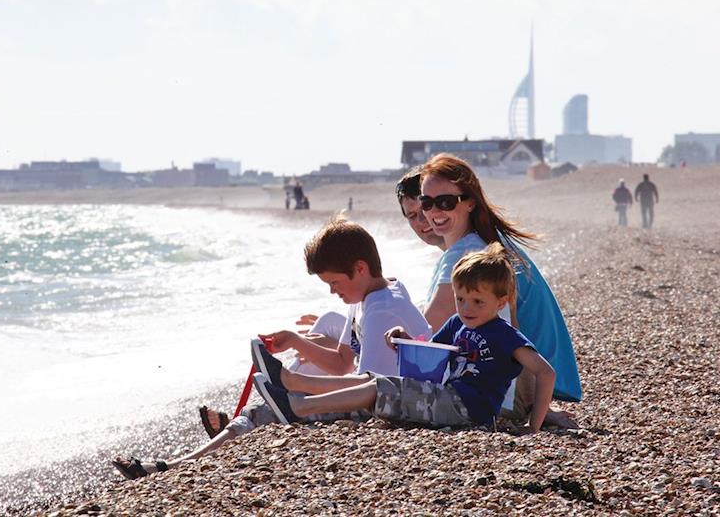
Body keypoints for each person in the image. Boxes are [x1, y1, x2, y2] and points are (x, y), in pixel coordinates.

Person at [111, 218, 431, 479]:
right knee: (267, 406)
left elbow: (372, 389)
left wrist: (302, 393)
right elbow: (341, 363)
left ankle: (174, 466)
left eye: (334, 282)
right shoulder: (370, 297)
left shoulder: (380, 311)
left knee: (266, 410)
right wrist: (295, 340)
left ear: (360, 268)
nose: (333, 291)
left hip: (396, 406)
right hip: (378, 394)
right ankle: (198, 452)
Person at [253, 243, 556, 434]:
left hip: (469, 412)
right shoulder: (457, 323)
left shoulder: (504, 335)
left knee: (381, 386)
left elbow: (545, 371)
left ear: (501, 302)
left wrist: (534, 425)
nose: (467, 308)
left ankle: (298, 407)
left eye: (478, 302)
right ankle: (293, 384)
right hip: (443, 397)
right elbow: (429, 352)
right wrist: (403, 339)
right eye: (461, 299)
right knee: (372, 379)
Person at [416, 154, 582, 418]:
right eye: (426, 202)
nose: (434, 212)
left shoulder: (466, 253)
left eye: (445, 202)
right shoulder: (487, 244)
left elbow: (426, 331)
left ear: (470, 202)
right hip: (523, 386)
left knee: (376, 389)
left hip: (503, 394)